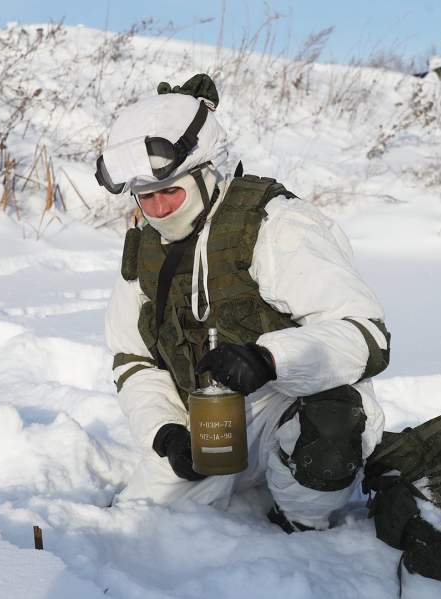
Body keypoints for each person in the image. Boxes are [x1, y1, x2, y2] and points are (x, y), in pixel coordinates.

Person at [97, 74, 391, 532]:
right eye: (144, 198)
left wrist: (270, 359)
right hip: (202, 425)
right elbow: (131, 357)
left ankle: (301, 522)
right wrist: (165, 431)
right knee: (136, 533)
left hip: (279, 410)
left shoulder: (276, 223)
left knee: (333, 420)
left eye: (168, 193)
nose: (155, 212)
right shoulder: (145, 244)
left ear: (207, 171)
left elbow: (366, 337)